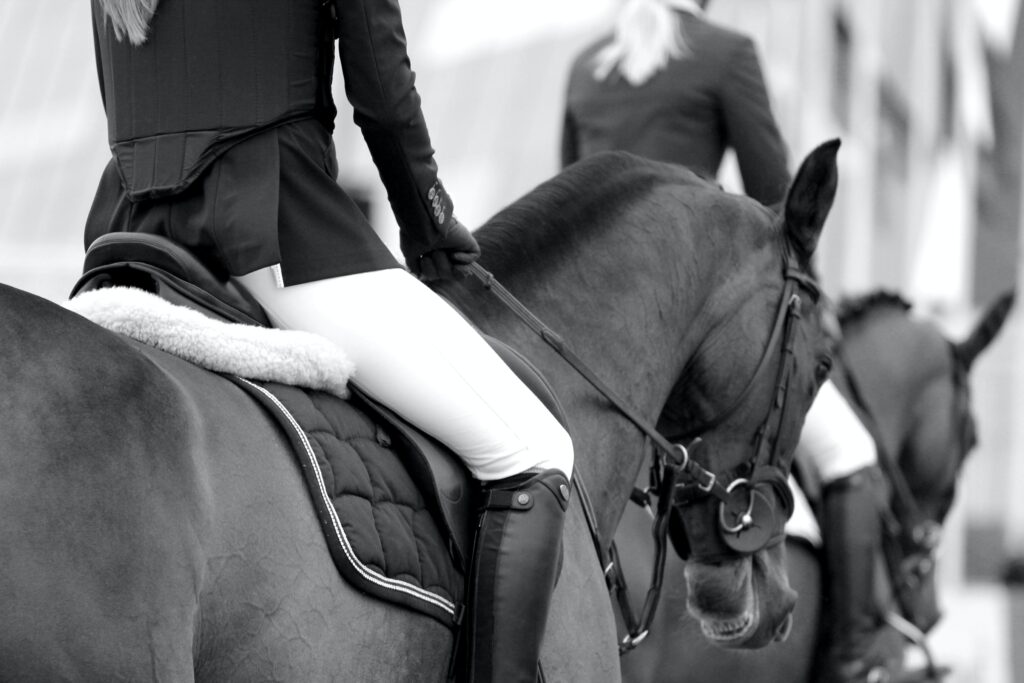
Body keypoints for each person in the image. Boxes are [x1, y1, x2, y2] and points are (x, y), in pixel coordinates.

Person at [86, 1, 572, 681]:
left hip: (131, 242)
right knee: (534, 449)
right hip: (277, 231)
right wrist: (430, 227)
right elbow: (382, 89)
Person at [562, 2, 901, 682]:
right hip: (693, 326)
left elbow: (571, 202)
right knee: (849, 451)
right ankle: (856, 660)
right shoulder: (726, 53)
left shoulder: (584, 68)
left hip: (596, 343)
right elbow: (782, 214)